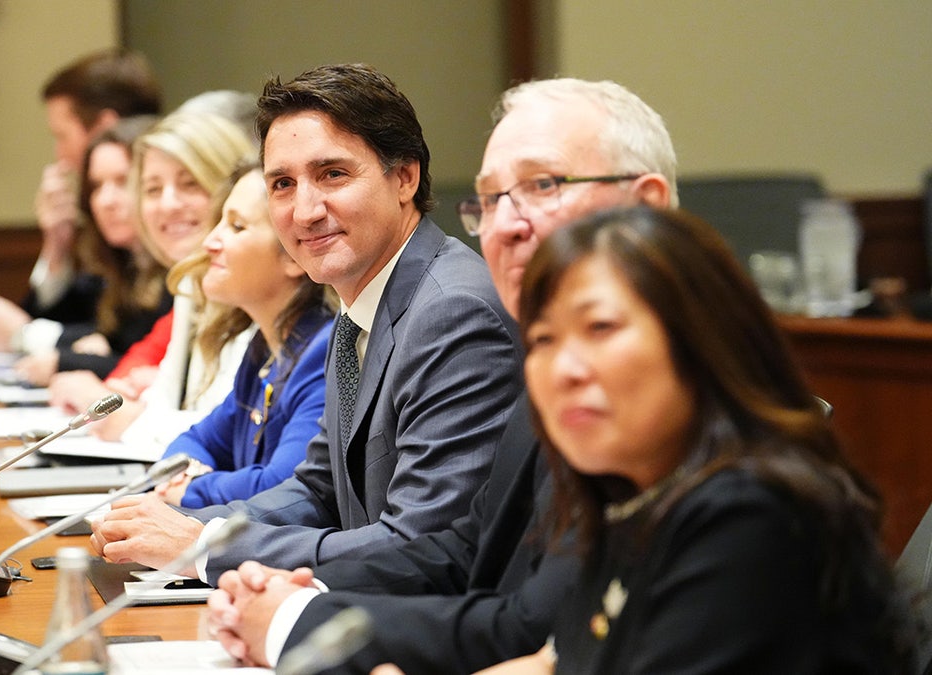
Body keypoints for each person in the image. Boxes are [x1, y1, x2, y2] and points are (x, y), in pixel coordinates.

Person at [206, 78, 677, 673]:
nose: (505, 224)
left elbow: (537, 628)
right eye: (491, 198)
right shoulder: (557, 375)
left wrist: (290, 621)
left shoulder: (678, 418)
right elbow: (457, 555)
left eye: (541, 186)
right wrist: (282, 602)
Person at [89, 63, 521, 584]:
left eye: (332, 174)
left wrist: (200, 546)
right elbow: (318, 491)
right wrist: (172, 527)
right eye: (282, 184)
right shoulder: (361, 304)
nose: (305, 210)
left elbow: (425, 548)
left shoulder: (453, 312)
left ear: (405, 177)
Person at [501, 205, 909, 673]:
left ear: (699, 340)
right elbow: (557, 663)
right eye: (543, 339)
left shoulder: (749, 516)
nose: (564, 369)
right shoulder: (634, 493)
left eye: (600, 328)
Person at [49, 110, 257, 445]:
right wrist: (139, 397)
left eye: (190, 184)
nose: (168, 204)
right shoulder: (190, 282)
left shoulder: (254, 287)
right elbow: (173, 406)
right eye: (153, 189)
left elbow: (237, 438)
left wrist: (134, 420)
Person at [155, 161, 337, 508]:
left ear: (294, 256)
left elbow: (283, 487)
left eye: (236, 226)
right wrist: (188, 475)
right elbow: (193, 441)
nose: (210, 242)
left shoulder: (323, 352)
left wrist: (193, 490)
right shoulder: (264, 349)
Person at [0, 49, 161, 351]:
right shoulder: (102, 227)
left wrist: (26, 334)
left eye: (62, 136)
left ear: (103, 127)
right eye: (99, 185)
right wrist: (56, 247)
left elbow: (120, 345)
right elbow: (91, 327)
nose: (59, 154)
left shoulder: (168, 233)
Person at [6, 116, 171, 385]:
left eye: (122, 181)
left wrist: (66, 360)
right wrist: (56, 246)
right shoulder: (117, 265)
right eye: (96, 186)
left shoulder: (177, 271)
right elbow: (52, 317)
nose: (106, 201)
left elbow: (160, 371)